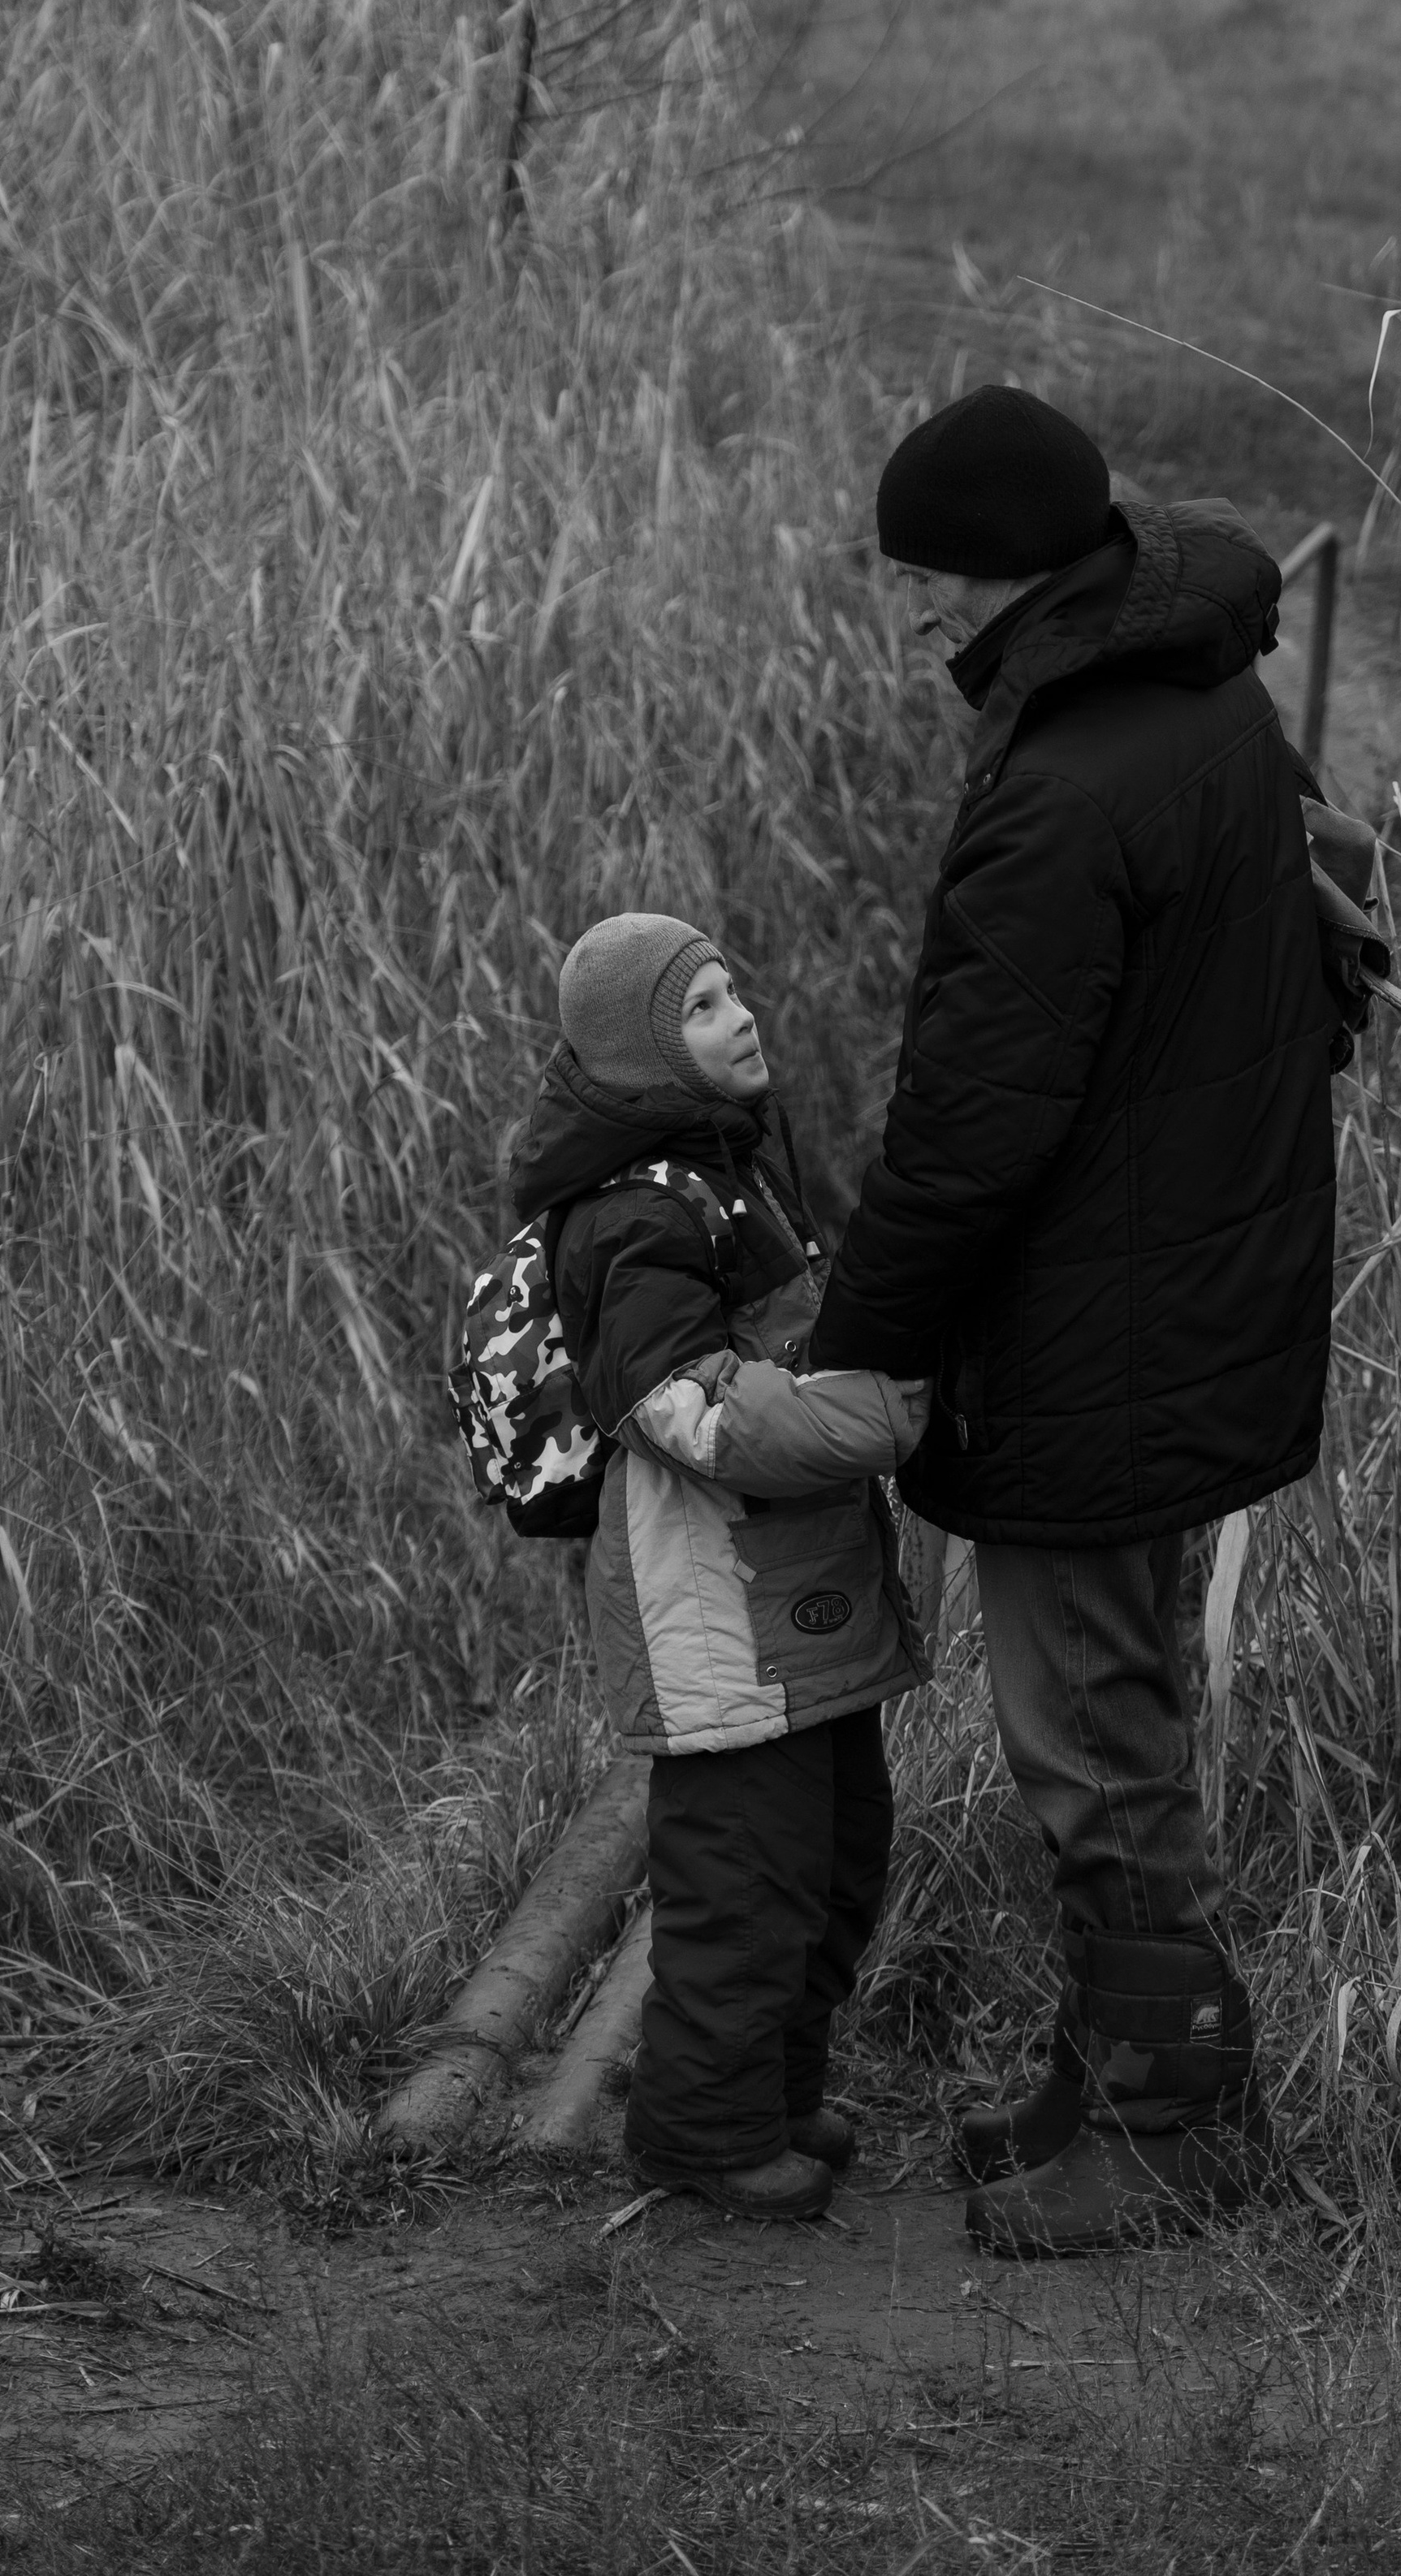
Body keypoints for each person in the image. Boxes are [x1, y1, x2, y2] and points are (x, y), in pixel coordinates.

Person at [806, 385, 1338, 2258]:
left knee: (1085, 1719)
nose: (903, 618)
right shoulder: (1193, 695)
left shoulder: (1059, 784)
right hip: (1189, 1283)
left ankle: (1170, 2118)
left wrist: (851, 1343)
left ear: (1000, 575)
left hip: (1103, 1323)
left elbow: (966, 1130)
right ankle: (1106, 2071)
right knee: (1111, 1695)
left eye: (917, 581)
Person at [508, 913, 930, 2220]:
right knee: (742, 1881)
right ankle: (699, 2131)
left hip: (786, 1594)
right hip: (711, 1604)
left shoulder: (723, 1166)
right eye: (700, 1006)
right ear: (645, 1055)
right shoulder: (635, 1212)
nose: (740, 1013)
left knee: (836, 1852)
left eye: (732, 987)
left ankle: (773, 2093)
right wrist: (875, 1417)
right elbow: (678, 1402)